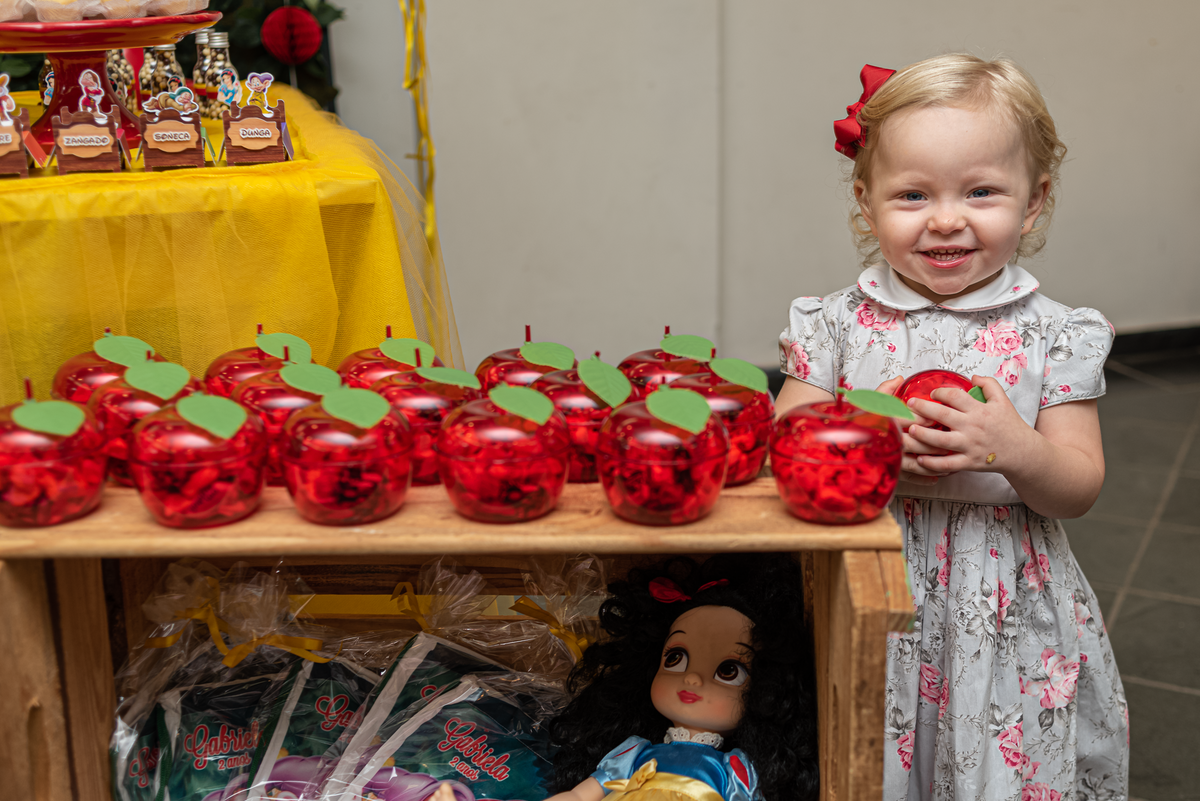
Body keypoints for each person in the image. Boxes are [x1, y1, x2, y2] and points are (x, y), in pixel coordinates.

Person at [776, 55, 1128, 800]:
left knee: (993, 766)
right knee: (861, 752)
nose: (945, 218)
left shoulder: (1056, 334)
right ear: (866, 201)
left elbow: (1079, 485)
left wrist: (1015, 445)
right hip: (867, 581)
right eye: (912, 193)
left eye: (981, 191)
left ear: (1034, 202)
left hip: (1000, 605)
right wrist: (860, 444)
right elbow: (789, 444)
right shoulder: (835, 325)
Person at [546, 554, 819, 801]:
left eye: (728, 671)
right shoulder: (634, 753)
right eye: (675, 658)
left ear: (765, 691)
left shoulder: (735, 771)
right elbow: (581, 795)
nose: (693, 679)